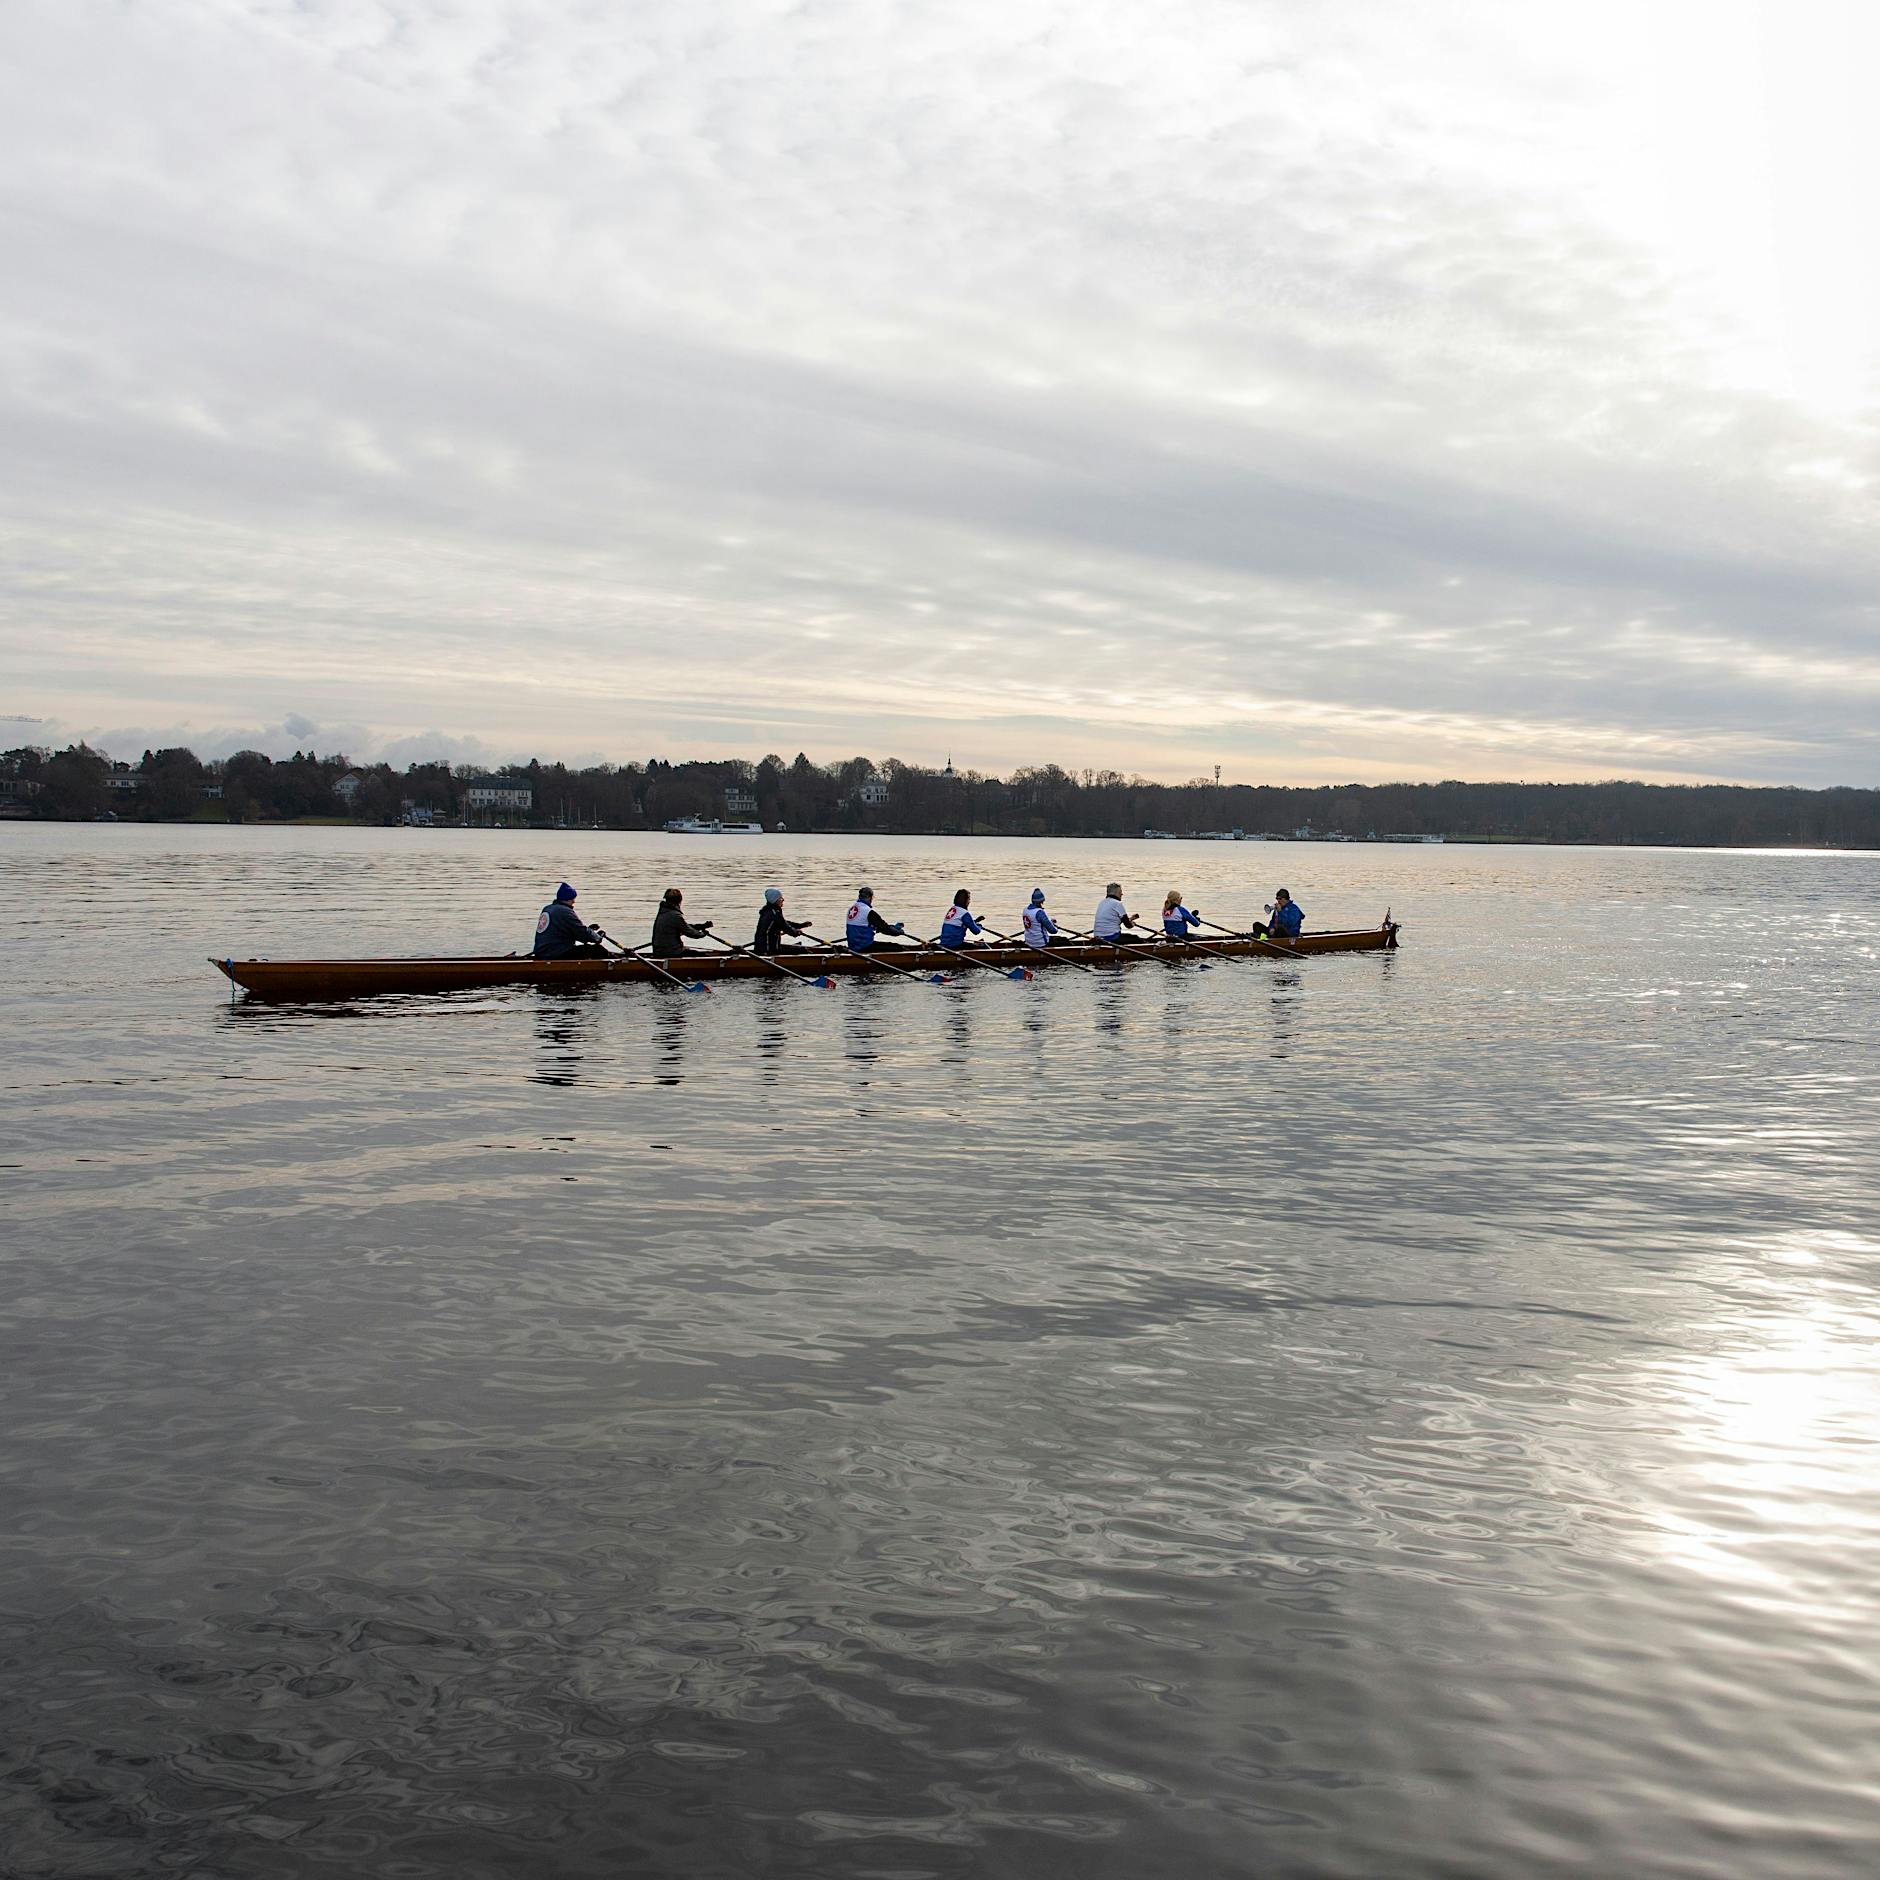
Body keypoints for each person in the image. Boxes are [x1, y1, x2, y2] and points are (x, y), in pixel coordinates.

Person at [533, 881, 605, 959]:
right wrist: (598, 937)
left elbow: (568, 930)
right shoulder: (565, 911)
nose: (574, 902)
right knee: (599, 951)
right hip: (556, 953)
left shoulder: (547, 909)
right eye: (572, 899)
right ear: (567, 899)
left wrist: (590, 930)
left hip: (541, 952)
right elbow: (581, 932)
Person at [651, 886, 713, 958]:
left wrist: (701, 926)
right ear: (679, 901)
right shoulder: (675, 915)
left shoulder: (663, 912)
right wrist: (703, 933)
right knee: (703, 956)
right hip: (672, 953)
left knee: (690, 952)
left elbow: (683, 927)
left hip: (659, 952)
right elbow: (691, 933)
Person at [844, 886, 907, 952]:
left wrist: (893, 927)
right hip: (865, 947)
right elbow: (885, 929)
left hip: (853, 946)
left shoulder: (851, 909)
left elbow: (865, 926)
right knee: (899, 948)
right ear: (870, 898)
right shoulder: (868, 912)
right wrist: (898, 932)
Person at [753, 887, 811, 956]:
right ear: (775, 900)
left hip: (766, 948)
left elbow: (784, 923)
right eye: (780, 898)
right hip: (768, 951)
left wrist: (800, 925)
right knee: (802, 950)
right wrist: (795, 932)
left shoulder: (769, 911)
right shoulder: (773, 913)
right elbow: (786, 927)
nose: (783, 900)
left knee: (799, 946)